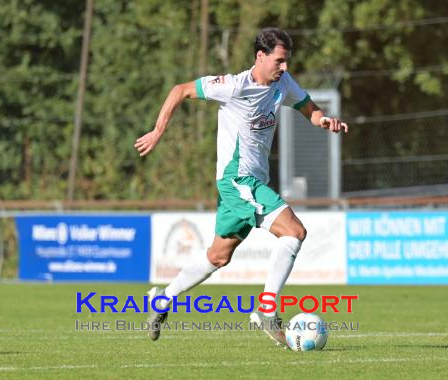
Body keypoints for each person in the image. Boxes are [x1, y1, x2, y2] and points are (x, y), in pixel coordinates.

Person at [134, 27, 348, 347]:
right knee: (295, 232)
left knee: (218, 257)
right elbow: (180, 90)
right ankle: (266, 310)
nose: (285, 67)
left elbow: (308, 108)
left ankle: (163, 301)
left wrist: (323, 120)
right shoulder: (233, 86)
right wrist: (157, 130)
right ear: (260, 56)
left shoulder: (283, 84)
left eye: (287, 61)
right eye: (279, 61)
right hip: (237, 180)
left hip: (253, 182)